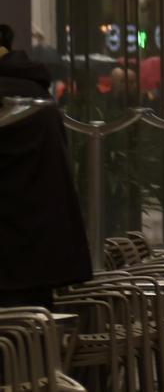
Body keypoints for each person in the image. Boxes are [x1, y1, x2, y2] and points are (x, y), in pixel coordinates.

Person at [0, 24, 93, 309]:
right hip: (40, 245)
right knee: (32, 337)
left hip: (12, 248)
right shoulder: (35, 88)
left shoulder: (8, 93)